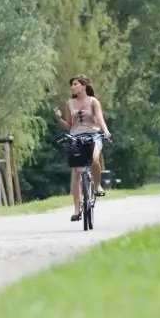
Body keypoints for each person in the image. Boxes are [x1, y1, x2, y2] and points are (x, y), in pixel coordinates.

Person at [54, 74, 111, 222]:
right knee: (76, 172)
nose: (72, 87)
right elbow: (69, 125)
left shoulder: (93, 102)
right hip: (76, 137)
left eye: (75, 84)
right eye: (72, 85)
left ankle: (98, 186)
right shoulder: (69, 103)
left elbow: (99, 118)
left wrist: (105, 131)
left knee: (94, 159)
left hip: (93, 135)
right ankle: (77, 209)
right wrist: (59, 118)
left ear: (84, 86)